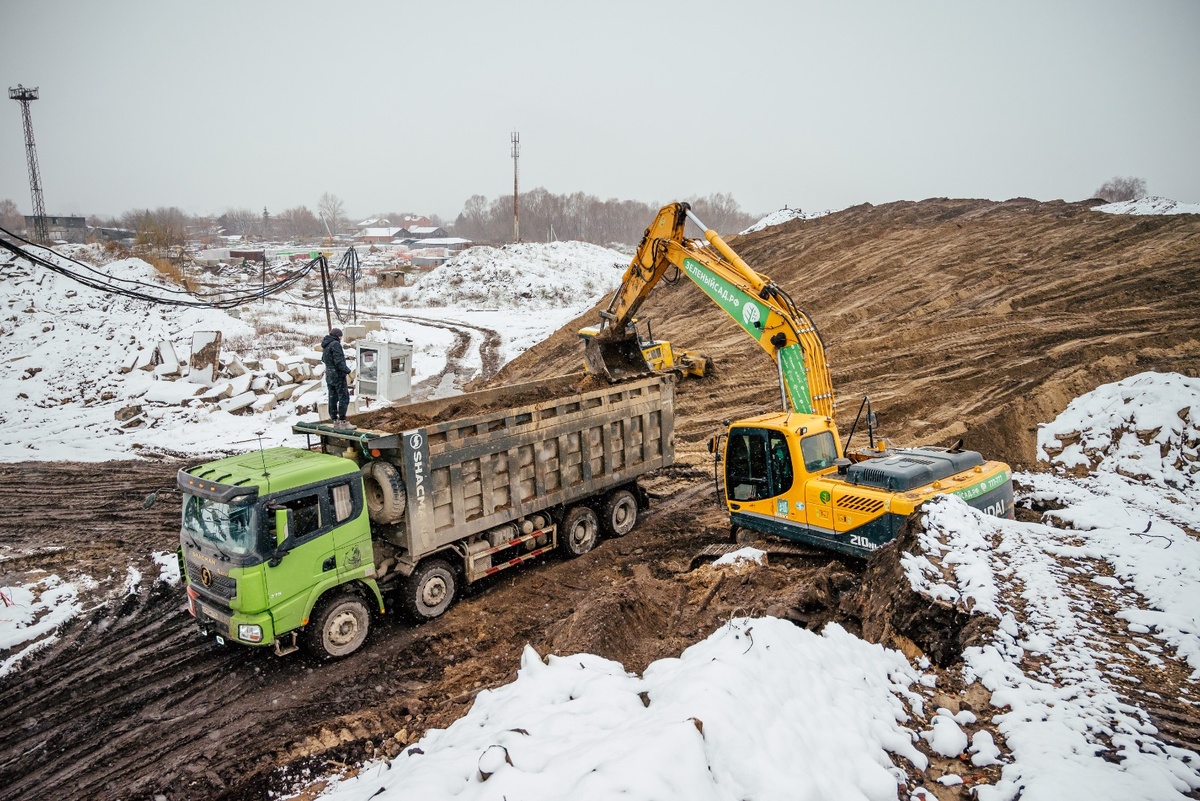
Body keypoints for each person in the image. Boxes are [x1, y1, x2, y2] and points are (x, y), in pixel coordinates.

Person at [321, 328, 355, 429]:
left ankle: (335, 421)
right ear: (337, 336)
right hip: (338, 376)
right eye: (340, 336)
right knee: (344, 397)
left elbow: (323, 359)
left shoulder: (326, 344)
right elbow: (339, 362)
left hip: (329, 375)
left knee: (332, 398)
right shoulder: (335, 344)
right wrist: (348, 371)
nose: (341, 338)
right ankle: (343, 421)